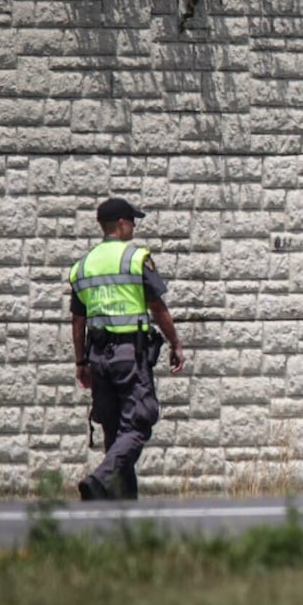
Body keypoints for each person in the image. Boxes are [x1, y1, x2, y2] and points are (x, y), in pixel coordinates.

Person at [68, 197, 186, 500]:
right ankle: (100, 479)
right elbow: (157, 307)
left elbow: (78, 320)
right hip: (129, 355)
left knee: (113, 429)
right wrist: (175, 343)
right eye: (131, 220)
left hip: (97, 357)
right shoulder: (135, 258)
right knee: (138, 424)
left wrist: (80, 361)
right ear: (120, 224)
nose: (133, 225)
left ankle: (124, 509)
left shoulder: (83, 266)